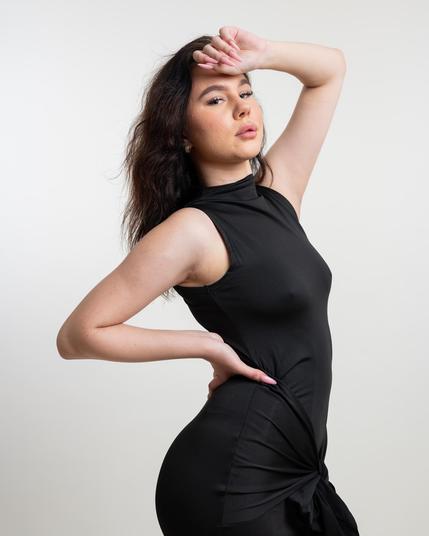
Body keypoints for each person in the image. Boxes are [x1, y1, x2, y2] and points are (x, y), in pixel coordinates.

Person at [56, 26, 360, 535]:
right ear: (181, 133)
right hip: (236, 473)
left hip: (296, 461)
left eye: (247, 91)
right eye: (216, 99)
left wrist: (262, 54)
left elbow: (329, 71)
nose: (242, 108)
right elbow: (78, 335)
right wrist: (206, 345)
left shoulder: (278, 192)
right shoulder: (192, 231)